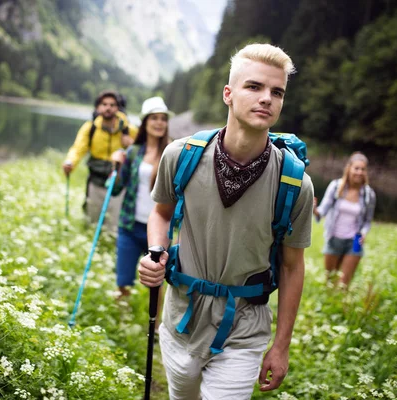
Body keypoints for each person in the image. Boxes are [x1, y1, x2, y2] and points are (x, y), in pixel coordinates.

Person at [138, 43, 314, 399]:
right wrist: (156, 252)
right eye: (254, 87)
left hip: (244, 328)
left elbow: (293, 268)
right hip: (181, 317)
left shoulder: (295, 183)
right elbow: (161, 213)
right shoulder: (181, 156)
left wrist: (281, 346)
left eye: (276, 92)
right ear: (228, 94)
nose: (267, 98)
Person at [110, 97, 172, 299]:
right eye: (154, 118)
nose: (159, 122)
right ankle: (123, 321)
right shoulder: (133, 152)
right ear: (145, 122)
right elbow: (115, 189)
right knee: (123, 280)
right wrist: (116, 166)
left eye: (163, 118)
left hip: (158, 229)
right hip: (129, 226)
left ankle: (155, 326)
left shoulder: (173, 153)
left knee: (157, 283)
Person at [62, 90, 138, 229]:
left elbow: (143, 151)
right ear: (98, 107)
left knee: (114, 225)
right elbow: (78, 148)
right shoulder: (90, 128)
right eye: (104, 104)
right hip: (95, 181)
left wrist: (131, 144)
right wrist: (70, 162)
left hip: (118, 183)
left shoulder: (129, 129)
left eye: (112, 104)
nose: (108, 107)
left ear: (118, 108)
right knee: (92, 221)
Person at [313, 152, 376, 287]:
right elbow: (322, 210)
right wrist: (314, 210)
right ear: (349, 168)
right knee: (330, 282)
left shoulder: (368, 194)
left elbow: (367, 221)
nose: (359, 172)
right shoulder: (335, 186)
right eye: (356, 168)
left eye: (363, 169)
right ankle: (331, 306)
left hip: (354, 243)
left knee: (343, 285)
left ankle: (341, 306)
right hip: (333, 239)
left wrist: (364, 233)